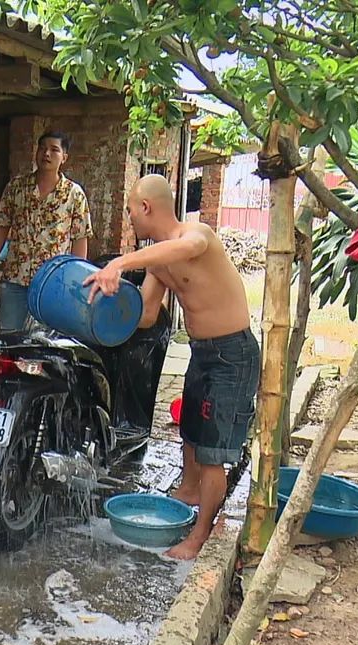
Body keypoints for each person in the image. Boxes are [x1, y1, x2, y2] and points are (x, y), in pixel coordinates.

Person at [83, 174, 259, 560]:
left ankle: (199, 538)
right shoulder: (158, 265)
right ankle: (187, 491)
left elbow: (188, 247)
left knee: (212, 451)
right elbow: (146, 315)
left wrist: (119, 263)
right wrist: (101, 314)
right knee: (191, 434)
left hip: (233, 355)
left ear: (146, 207)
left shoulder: (197, 234)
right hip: (202, 352)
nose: (129, 218)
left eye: (130, 209)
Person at [0, 131, 92, 331]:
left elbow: (79, 239)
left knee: (46, 342)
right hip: (16, 277)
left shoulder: (74, 194)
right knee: (9, 340)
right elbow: (1, 225)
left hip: (54, 283)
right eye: (43, 148)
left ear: (64, 158)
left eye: (54, 150)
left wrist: (77, 282)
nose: (47, 154)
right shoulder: (17, 187)